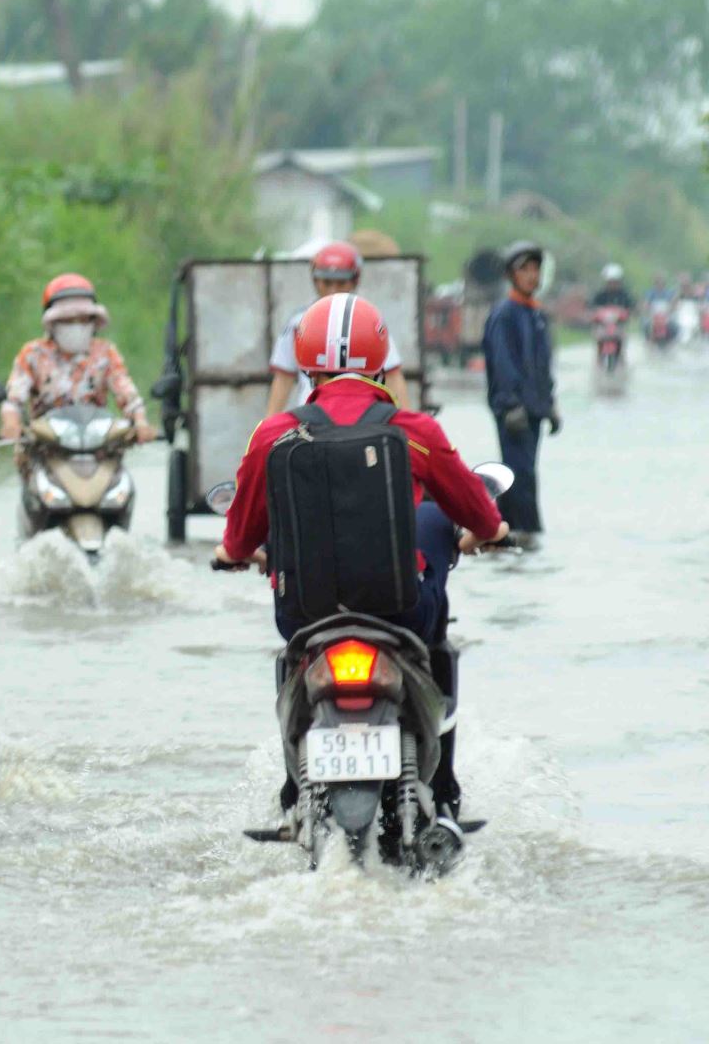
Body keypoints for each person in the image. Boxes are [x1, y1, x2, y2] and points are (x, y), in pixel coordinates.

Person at [214, 293, 507, 813]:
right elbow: (477, 513)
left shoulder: (275, 434)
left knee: (291, 657)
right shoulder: (415, 432)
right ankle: (443, 794)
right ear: (379, 360)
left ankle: (293, 788)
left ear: (305, 359)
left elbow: (241, 534)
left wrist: (237, 552)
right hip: (401, 612)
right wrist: (488, 531)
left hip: (306, 613)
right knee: (437, 622)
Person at [0, 273, 156, 444]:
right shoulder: (33, 354)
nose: (76, 326)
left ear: (94, 322)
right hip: (44, 452)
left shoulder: (105, 353)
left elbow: (126, 393)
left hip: (99, 450)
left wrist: (140, 422)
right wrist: (11, 423)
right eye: (67, 320)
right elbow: (14, 400)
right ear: (52, 323)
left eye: (83, 319)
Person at [264, 242, 411, 416]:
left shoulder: (369, 322)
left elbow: (393, 375)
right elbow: (283, 379)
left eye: (341, 283)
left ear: (355, 280)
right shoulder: (298, 322)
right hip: (311, 419)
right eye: (327, 282)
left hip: (363, 418)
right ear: (315, 280)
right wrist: (268, 427)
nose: (333, 290)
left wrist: (408, 423)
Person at [481, 240, 560, 542]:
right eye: (524, 269)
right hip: (514, 411)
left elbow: (542, 365)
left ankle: (508, 535)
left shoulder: (536, 314)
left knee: (525, 475)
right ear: (511, 275)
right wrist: (510, 404)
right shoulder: (505, 314)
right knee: (520, 475)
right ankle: (524, 536)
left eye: (536, 269)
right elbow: (503, 364)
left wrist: (550, 404)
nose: (531, 275)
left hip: (534, 409)